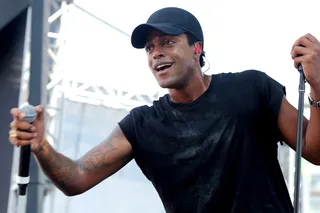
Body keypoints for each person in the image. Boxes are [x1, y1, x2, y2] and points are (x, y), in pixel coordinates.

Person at [8, 7, 320, 213]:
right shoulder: (143, 125)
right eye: (149, 48)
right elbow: (76, 178)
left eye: (167, 42)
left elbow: (315, 151)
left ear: (196, 49)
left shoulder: (252, 89)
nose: (156, 53)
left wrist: (318, 85)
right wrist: (40, 146)